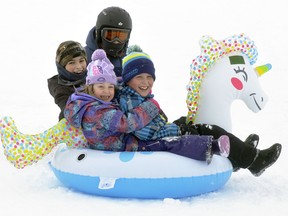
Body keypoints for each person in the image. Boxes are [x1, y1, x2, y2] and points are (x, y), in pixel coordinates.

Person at [117, 47, 282, 177]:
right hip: (158, 141)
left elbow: (152, 122)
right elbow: (145, 133)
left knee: (192, 121)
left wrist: (178, 124)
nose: (146, 82)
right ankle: (254, 160)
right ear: (128, 79)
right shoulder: (130, 100)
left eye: (149, 76)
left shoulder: (135, 95)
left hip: (163, 131)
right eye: (139, 77)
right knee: (209, 129)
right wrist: (177, 129)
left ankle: (238, 154)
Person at [64, 49, 231, 165]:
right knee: (169, 143)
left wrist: (127, 79)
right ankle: (211, 147)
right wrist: (150, 107)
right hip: (127, 145)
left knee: (171, 135)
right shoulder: (96, 111)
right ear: (90, 87)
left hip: (122, 142)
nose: (107, 92)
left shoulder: (91, 103)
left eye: (110, 87)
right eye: (101, 87)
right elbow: (126, 124)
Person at [84, 6, 132, 76]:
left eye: (121, 36)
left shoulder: (130, 60)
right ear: (99, 33)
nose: (116, 41)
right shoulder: (82, 58)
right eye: (110, 35)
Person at [47, 40, 88, 121]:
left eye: (81, 61)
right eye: (72, 63)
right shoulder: (60, 87)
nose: (79, 66)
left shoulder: (93, 76)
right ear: (62, 66)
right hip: (72, 128)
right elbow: (69, 109)